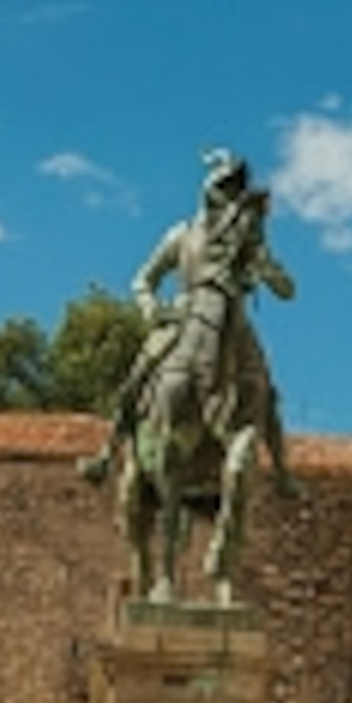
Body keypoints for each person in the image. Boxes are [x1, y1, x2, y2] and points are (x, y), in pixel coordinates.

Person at [80, 148, 295, 492]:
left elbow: (287, 291)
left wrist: (266, 265)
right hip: (184, 315)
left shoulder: (247, 239)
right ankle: (108, 451)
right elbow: (143, 280)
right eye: (224, 186)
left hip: (233, 316)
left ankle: (283, 471)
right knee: (141, 369)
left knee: (264, 388)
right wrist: (152, 308)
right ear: (210, 187)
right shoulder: (181, 235)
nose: (229, 194)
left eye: (235, 188)